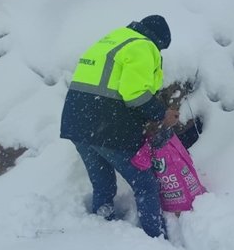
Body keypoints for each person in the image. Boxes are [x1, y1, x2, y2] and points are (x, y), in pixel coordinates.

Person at [60, 15, 179, 238]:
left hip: (77, 123)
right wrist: (162, 114)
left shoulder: (115, 39)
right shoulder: (144, 47)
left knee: (103, 184)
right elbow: (134, 94)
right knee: (145, 184)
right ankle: (155, 238)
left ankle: (101, 231)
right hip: (107, 126)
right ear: (159, 42)